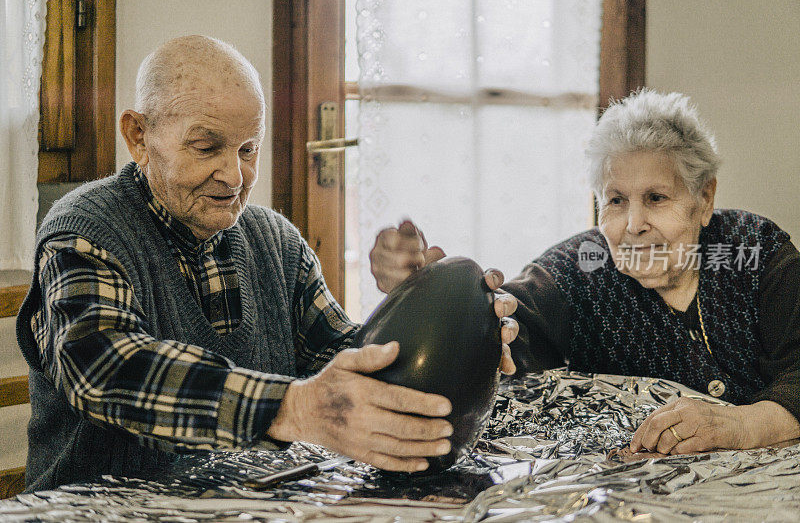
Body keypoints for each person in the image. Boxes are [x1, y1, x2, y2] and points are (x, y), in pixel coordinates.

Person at [16, 35, 519, 492]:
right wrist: (292, 409)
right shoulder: (82, 230)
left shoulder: (275, 241)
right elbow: (104, 366)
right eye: (207, 146)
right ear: (139, 137)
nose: (234, 175)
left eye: (248, 148)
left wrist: (426, 320)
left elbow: (340, 368)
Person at [370, 89, 800, 457]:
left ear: (704, 200)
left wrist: (743, 426)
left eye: (656, 197)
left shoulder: (754, 250)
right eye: (615, 200)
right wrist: (426, 296)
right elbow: (497, 327)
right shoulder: (580, 268)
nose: (634, 224)